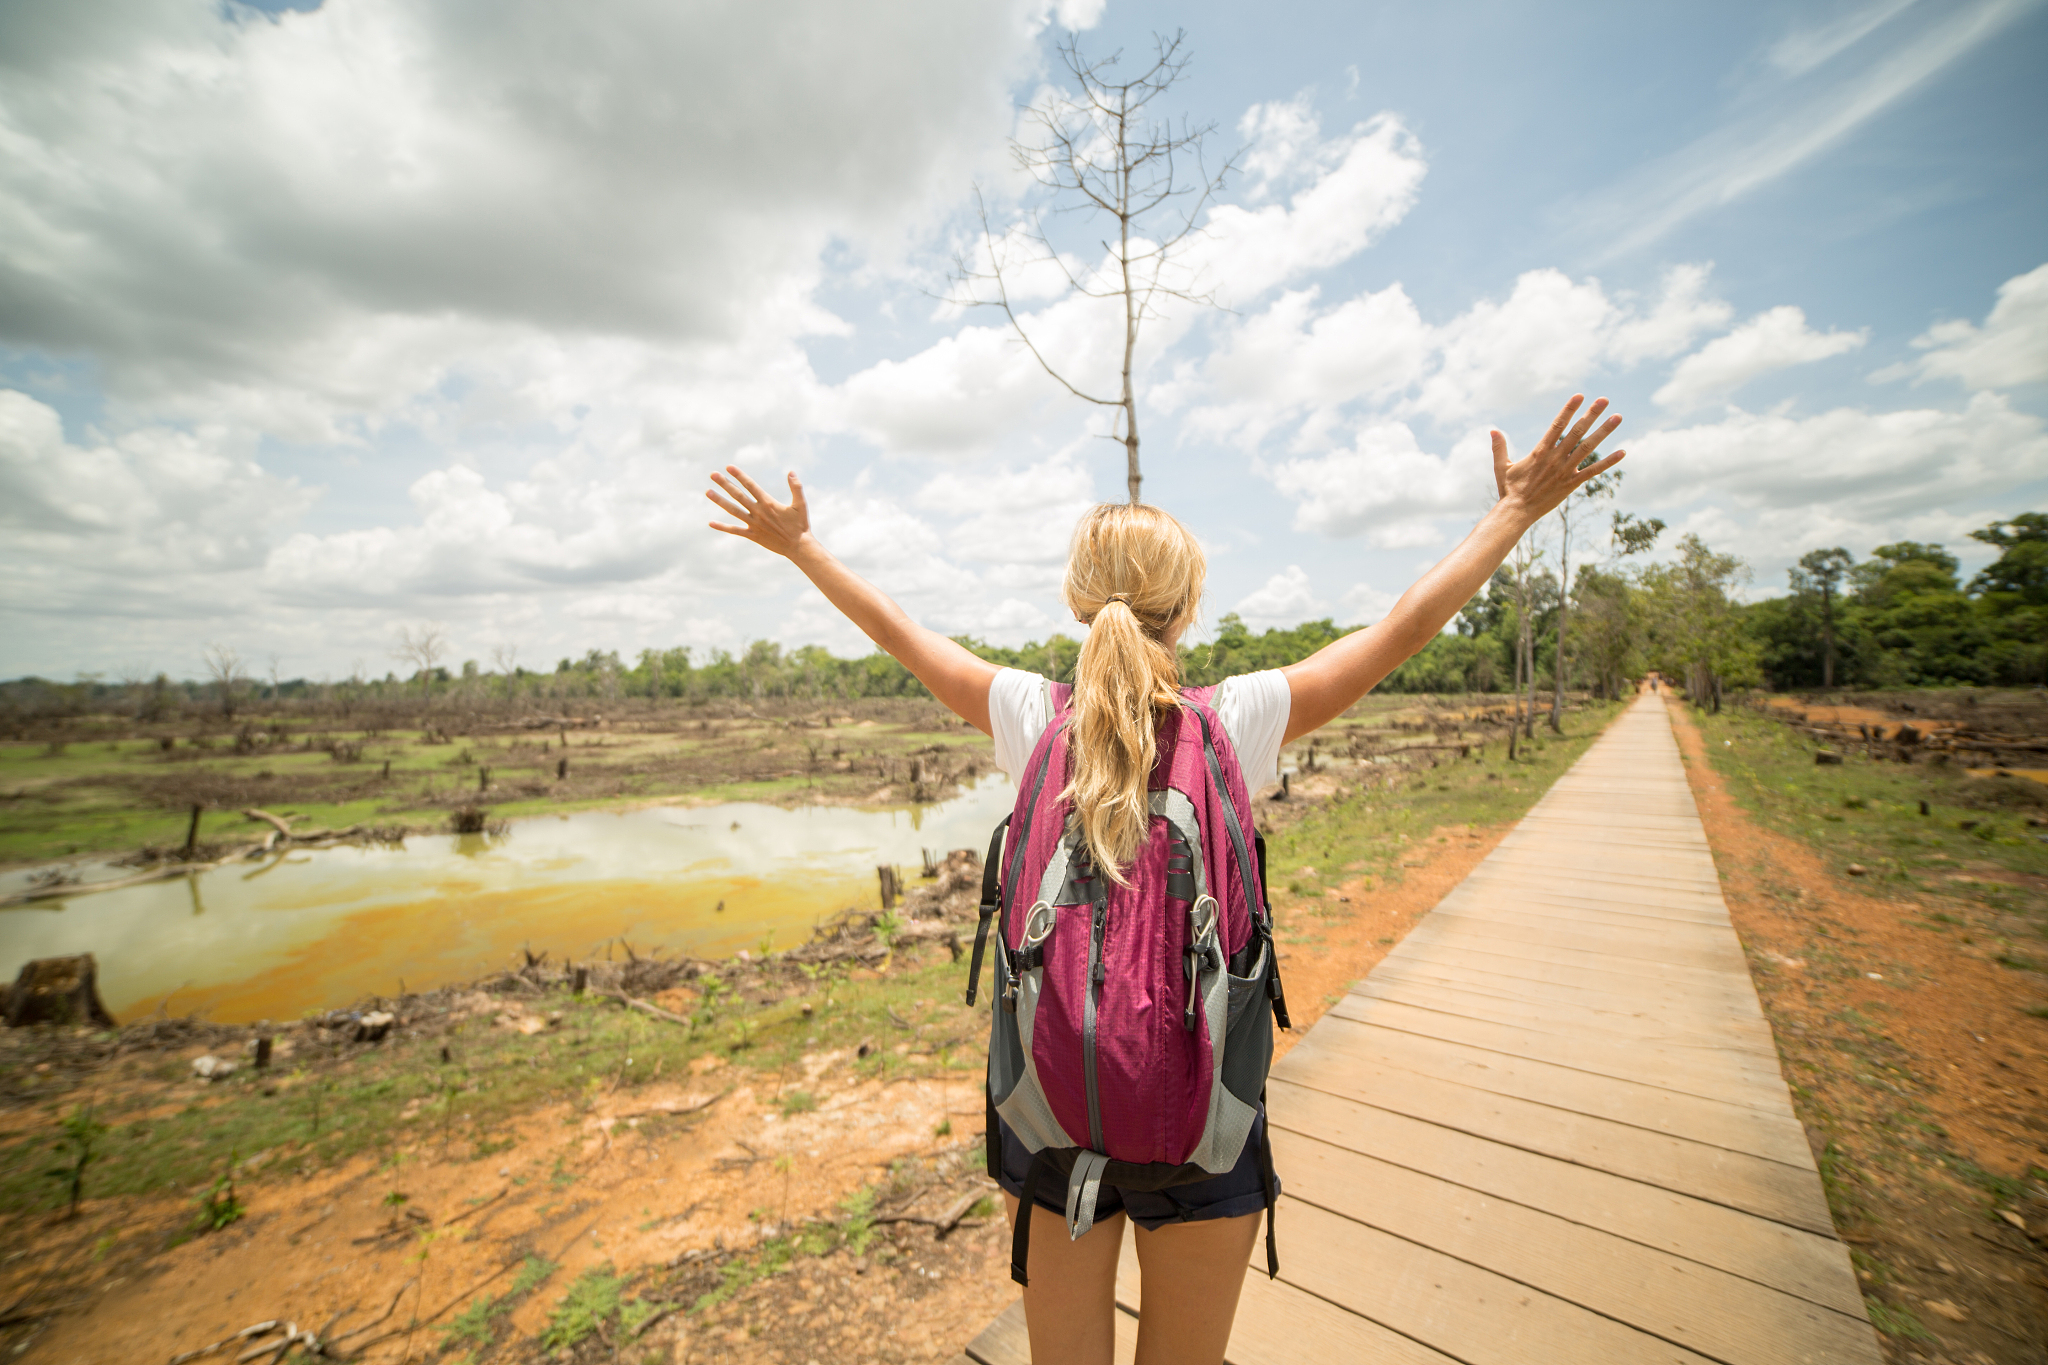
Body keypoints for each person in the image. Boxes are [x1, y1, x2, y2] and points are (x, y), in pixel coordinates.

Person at [704, 392, 1627, 1365]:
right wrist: (1514, 512)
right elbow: (1397, 631)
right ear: (1186, 607)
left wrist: (801, 550)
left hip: (1054, 1110)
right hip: (1202, 1113)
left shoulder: (1028, 715)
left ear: (1075, 599)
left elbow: (898, 635)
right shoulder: (1239, 716)